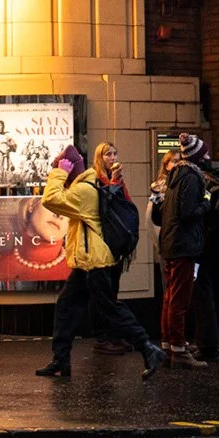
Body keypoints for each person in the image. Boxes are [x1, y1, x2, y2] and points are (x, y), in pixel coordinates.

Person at [36, 144, 165, 380]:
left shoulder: (84, 190)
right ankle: (61, 360)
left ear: (70, 170)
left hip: (95, 263)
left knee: (109, 309)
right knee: (66, 307)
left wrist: (59, 172)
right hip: (85, 263)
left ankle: (147, 347)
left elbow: (51, 199)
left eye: (62, 170)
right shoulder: (85, 185)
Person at [184, 133, 219, 363]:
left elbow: (198, 208)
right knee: (215, 288)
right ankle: (217, 341)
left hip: (203, 240)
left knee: (201, 290)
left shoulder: (200, 176)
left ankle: (207, 343)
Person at [151, 146, 206, 367]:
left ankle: (167, 344)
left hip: (169, 244)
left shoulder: (171, 179)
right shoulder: (191, 178)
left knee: (169, 297)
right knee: (179, 300)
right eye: (205, 156)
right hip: (183, 246)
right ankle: (180, 350)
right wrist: (207, 203)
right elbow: (188, 213)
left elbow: (161, 216)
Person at [89, 142, 135, 357]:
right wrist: (115, 182)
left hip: (115, 242)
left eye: (115, 153)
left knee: (113, 290)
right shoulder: (95, 178)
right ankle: (102, 336)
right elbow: (105, 202)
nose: (112, 157)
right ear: (100, 157)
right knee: (103, 292)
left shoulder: (117, 179)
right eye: (108, 154)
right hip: (101, 242)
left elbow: (125, 204)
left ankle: (113, 334)